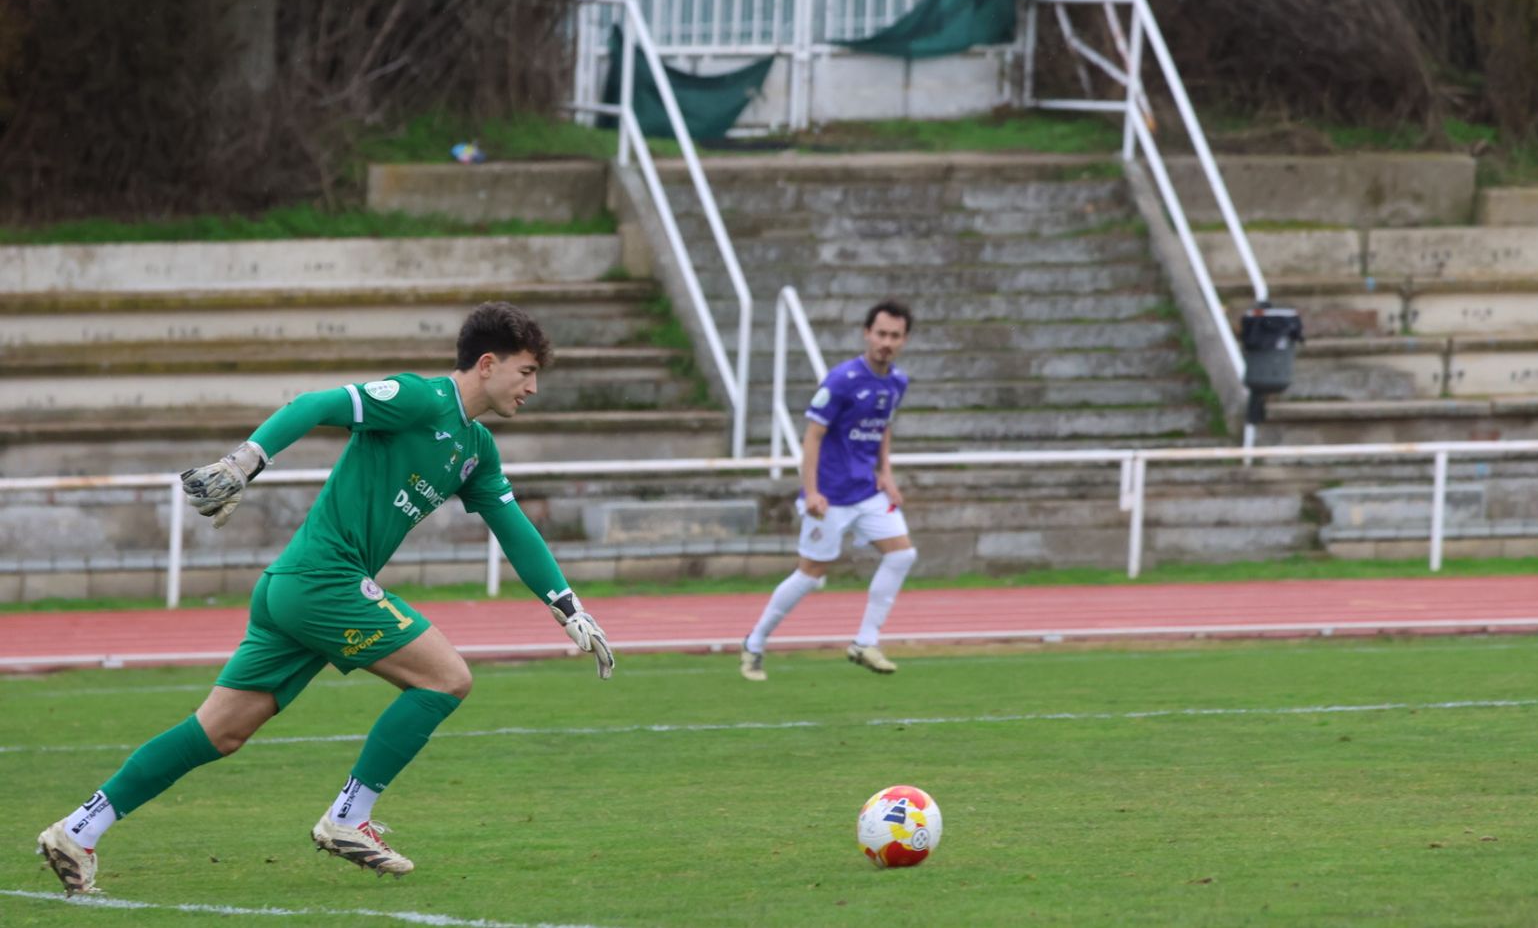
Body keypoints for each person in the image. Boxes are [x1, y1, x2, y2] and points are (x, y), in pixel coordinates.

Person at [36, 301, 615, 894]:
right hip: (323, 580)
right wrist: (244, 463)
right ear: (488, 364)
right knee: (446, 678)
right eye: (526, 372)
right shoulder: (420, 399)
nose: (533, 388)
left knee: (218, 732)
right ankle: (347, 818)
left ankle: (78, 831)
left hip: (296, 587)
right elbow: (316, 404)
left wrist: (566, 605)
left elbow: (512, 524)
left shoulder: (476, 449)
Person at [740, 299, 917, 681]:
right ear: (867, 334)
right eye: (881, 333)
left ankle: (865, 642)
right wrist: (812, 492)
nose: (887, 342)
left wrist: (885, 472)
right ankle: (754, 643)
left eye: (895, 336)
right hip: (830, 495)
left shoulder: (897, 382)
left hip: (867, 491)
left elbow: (883, 426)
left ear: (904, 340)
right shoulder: (842, 380)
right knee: (810, 575)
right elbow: (812, 437)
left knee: (902, 555)